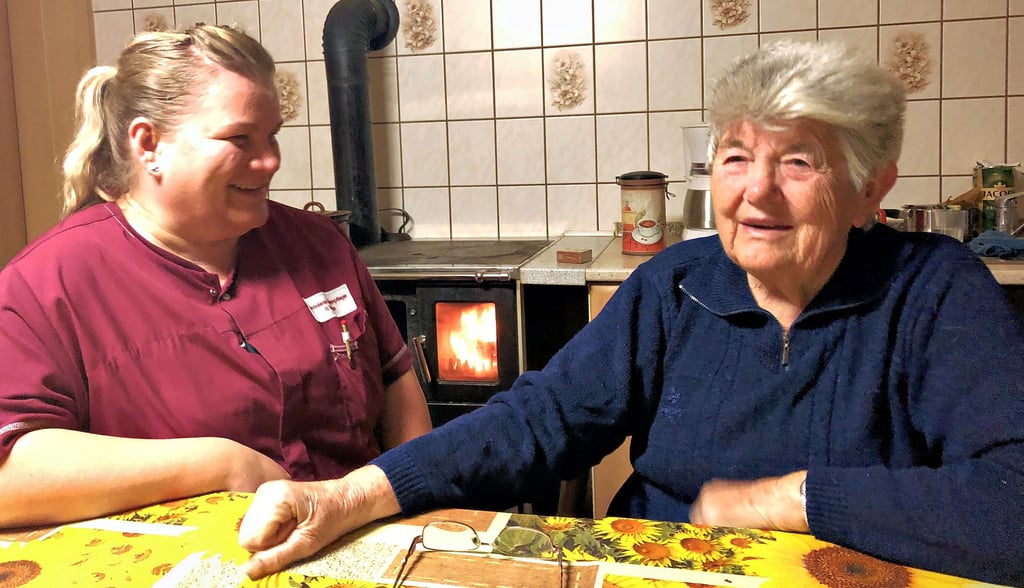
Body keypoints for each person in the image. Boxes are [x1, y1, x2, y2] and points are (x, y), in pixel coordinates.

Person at [236, 41, 1024, 585]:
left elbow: (1010, 503)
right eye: (736, 156)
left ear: (870, 189)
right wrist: (352, 494)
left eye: (798, 162)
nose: (755, 191)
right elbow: (539, 418)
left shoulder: (935, 293)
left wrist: (791, 500)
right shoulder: (678, 283)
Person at [0, 24, 431, 528]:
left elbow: (396, 379)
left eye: (272, 136)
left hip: (365, 542)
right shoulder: (47, 283)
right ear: (149, 144)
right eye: (239, 138)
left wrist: (417, 508)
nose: (269, 161)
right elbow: (11, 474)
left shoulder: (319, 243)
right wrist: (219, 464)